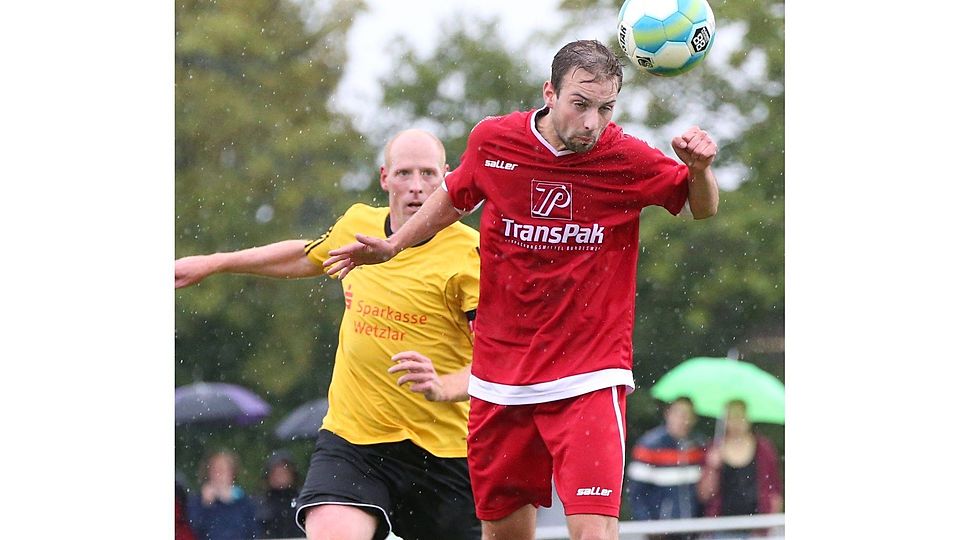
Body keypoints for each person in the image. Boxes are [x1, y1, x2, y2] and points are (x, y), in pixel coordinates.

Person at [323, 39, 720, 540]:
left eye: (605, 108)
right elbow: (454, 195)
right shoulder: (495, 142)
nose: (591, 122)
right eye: (580, 104)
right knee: (505, 534)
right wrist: (395, 244)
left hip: (588, 376)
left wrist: (700, 171)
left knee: (592, 530)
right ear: (549, 94)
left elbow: (700, 207)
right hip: (500, 380)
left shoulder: (626, 158)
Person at [175, 128, 482, 540]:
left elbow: (499, 363)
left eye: (428, 174)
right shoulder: (358, 226)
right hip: (355, 441)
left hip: (445, 451)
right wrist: (217, 262)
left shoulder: (470, 254)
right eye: (404, 173)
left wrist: (443, 386)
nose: (416, 186)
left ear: (447, 177)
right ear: (384, 178)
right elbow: (306, 257)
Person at [697, 400, 784, 537]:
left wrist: (769, 523)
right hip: (721, 528)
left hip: (757, 529)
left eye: (740, 416)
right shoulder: (714, 449)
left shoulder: (764, 449)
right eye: (732, 417)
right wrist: (712, 468)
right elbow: (704, 495)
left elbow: (775, 492)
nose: (736, 422)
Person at [625, 397, 706, 540]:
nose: (683, 420)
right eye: (679, 414)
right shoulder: (649, 446)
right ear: (668, 414)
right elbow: (636, 493)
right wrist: (648, 524)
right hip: (662, 531)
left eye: (687, 415)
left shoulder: (699, 446)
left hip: (693, 528)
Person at [187, 450, 259, 540]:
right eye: (214, 470)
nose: (218, 475)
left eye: (222, 470)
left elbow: (252, 531)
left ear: (232, 473)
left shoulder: (244, 501)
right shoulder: (198, 500)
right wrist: (206, 504)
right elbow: (194, 528)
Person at [256, 451, 304, 538]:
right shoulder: (259, 503)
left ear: (292, 475)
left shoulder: (303, 501)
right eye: (276, 472)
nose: (280, 476)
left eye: (284, 472)